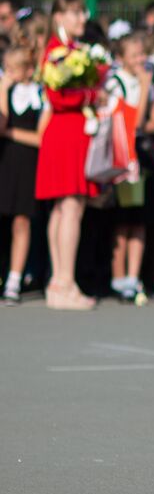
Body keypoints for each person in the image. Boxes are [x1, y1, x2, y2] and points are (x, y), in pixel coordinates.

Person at [34, 0, 102, 310]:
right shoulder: (56, 53)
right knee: (70, 206)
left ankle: (60, 281)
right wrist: (92, 94)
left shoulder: (75, 52)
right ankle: (64, 281)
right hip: (65, 132)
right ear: (60, 15)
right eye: (75, 13)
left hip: (73, 132)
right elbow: (58, 97)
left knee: (65, 208)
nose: (81, 19)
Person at [104, 33, 154, 303]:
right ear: (121, 57)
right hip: (122, 158)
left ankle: (133, 278)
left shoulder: (143, 82)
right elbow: (134, 122)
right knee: (121, 221)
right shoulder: (116, 83)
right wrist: (145, 88)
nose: (140, 60)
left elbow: (151, 121)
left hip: (141, 156)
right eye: (134, 55)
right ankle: (118, 276)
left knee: (139, 220)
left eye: (142, 54)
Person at [0, 47, 42, 304]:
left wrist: (12, 135)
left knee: (22, 222)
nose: (11, 74)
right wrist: (3, 89)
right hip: (3, 162)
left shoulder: (39, 95)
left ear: (28, 69)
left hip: (27, 165)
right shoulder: (4, 91)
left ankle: (14, 280)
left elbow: (41, 138)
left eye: (15, 69)